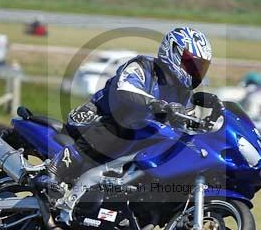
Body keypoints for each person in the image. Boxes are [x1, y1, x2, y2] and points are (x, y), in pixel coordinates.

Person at [32, 27, 213, 207]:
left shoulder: (184, 94)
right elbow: (125, 91)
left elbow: (183, 123)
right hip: (97, 116)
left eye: (200, 67)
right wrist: (157, 104)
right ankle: (53, 170)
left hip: (140, 134)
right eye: (191, 64)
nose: (195, 72)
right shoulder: (143, 66)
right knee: (126, 122)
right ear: (172, 52)